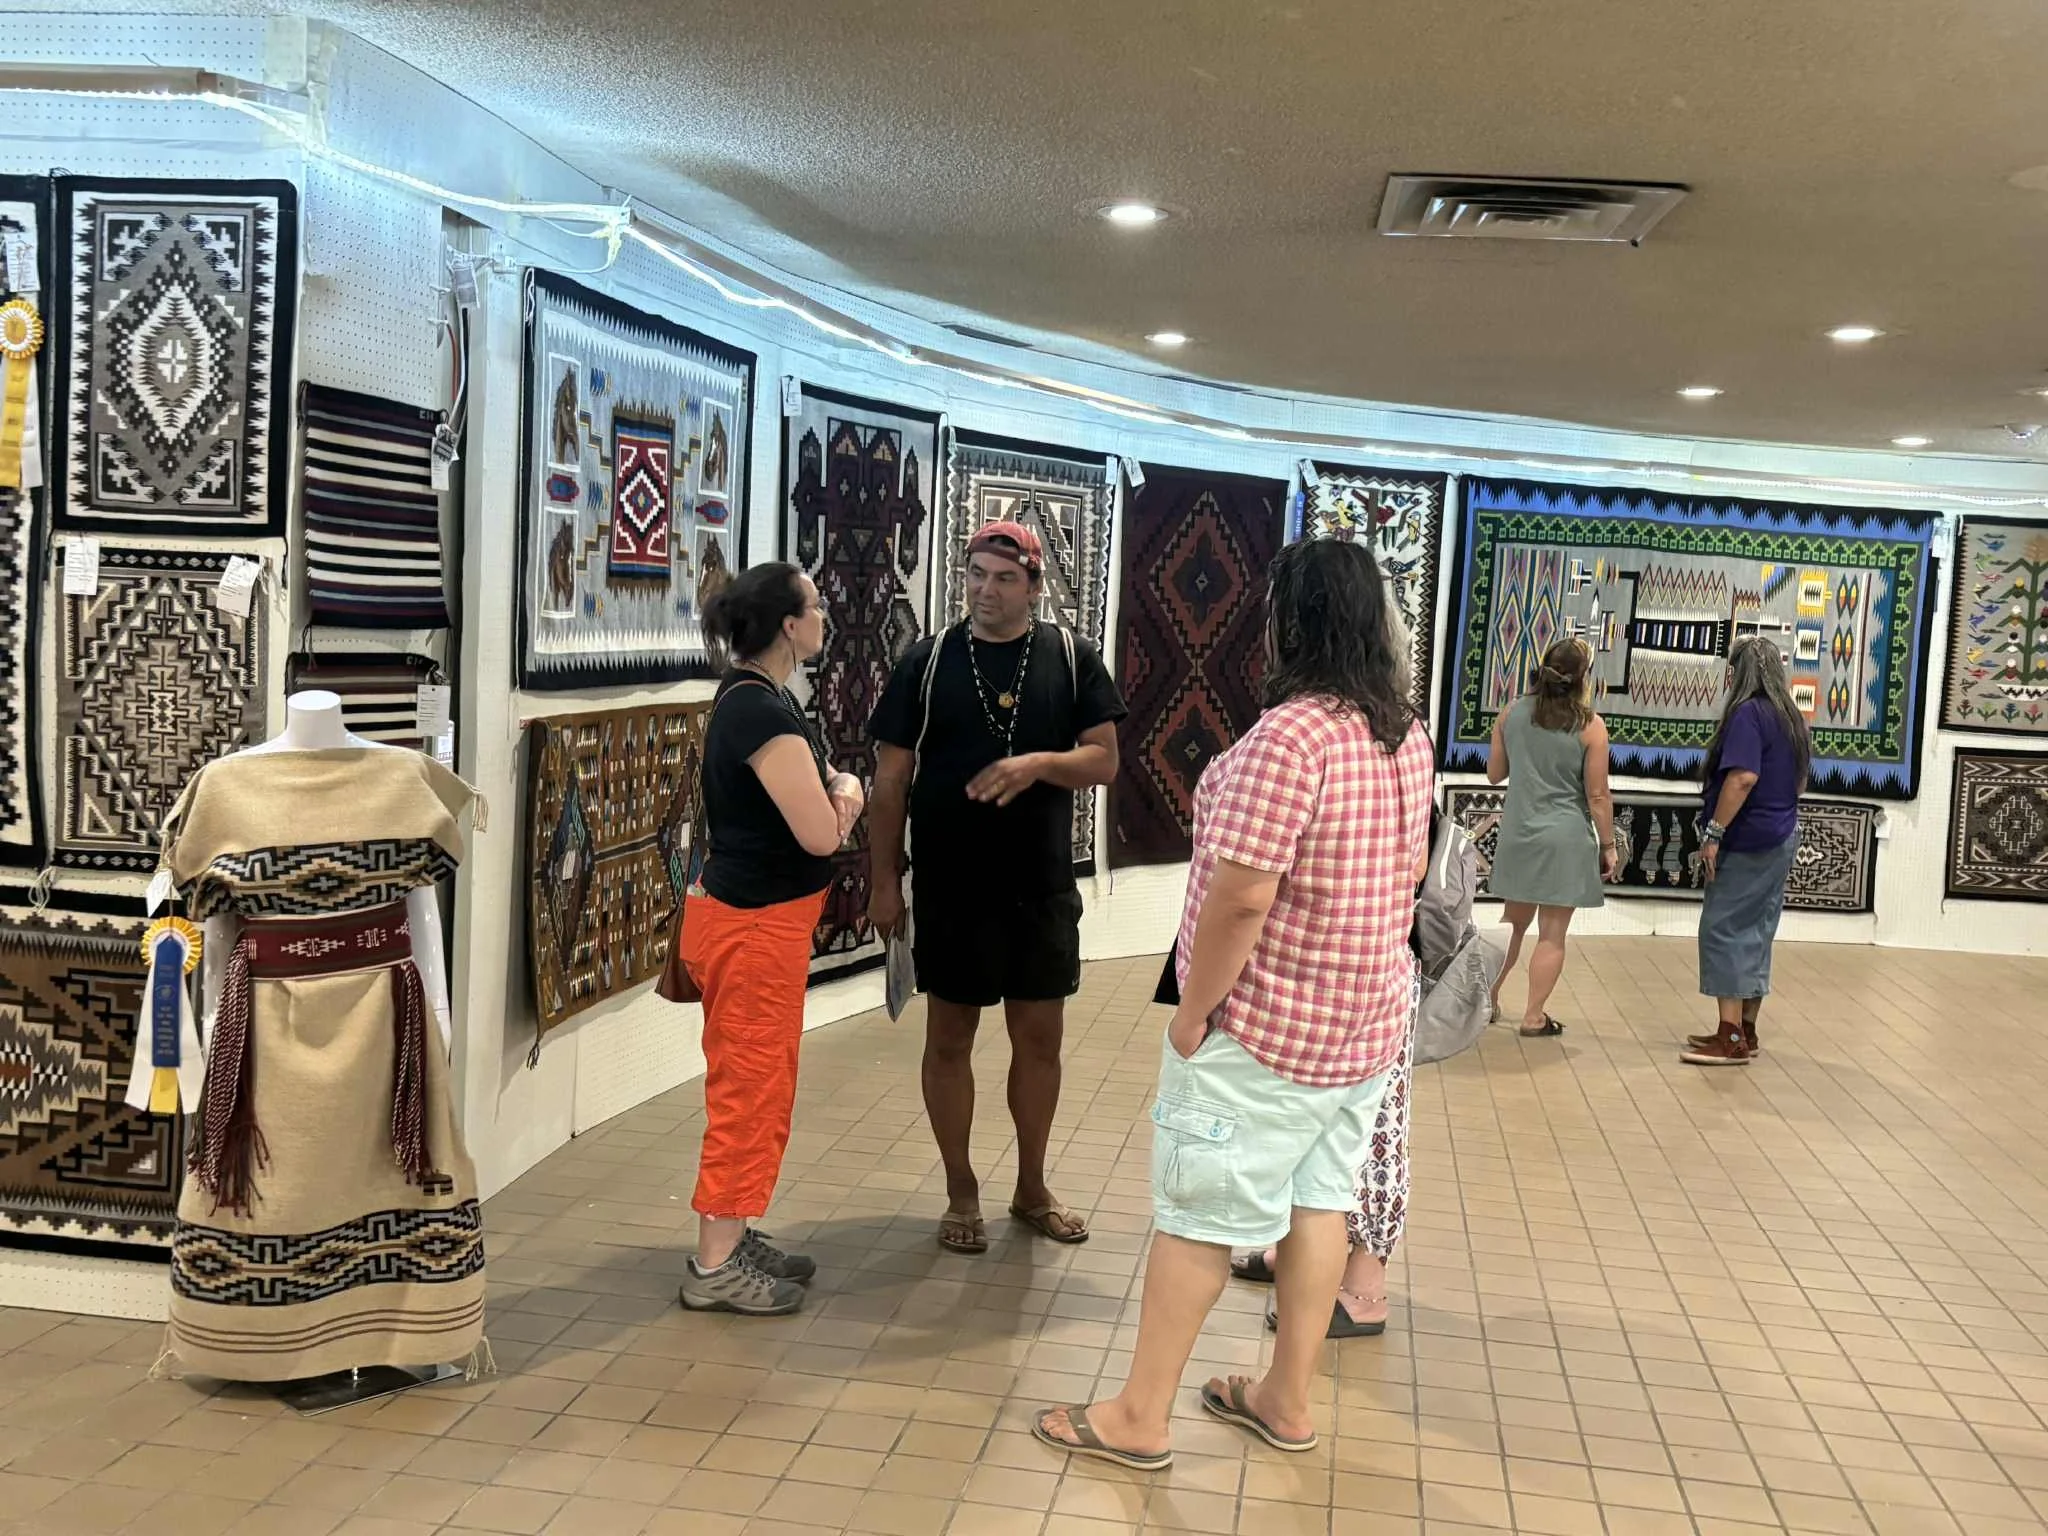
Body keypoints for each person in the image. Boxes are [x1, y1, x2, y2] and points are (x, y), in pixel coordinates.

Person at [1034, 537, 1433, 1471]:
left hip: (1265, 1032)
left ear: (1292, 624)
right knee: (1320, 1207)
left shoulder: (1289, 739)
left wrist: (1192, 1011)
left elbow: (1244, 897)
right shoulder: (1402, 733)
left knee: (1196, 1218)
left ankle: (1139, 1417)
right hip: (1363, 1029)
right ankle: (1285, 1399)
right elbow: (1410, 870)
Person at [867, 521, 1126, 1254]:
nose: (986, 590)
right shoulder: (926, 663)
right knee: (949, 1038)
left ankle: (1032, 1187)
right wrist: (882, 882)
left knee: (1039, 1042)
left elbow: (1104, 761)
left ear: (1035, 587)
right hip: (951, 887)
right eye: (977, 574)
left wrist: (1037, 763)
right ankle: (961, 1189)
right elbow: (890, 780)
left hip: (1039, 889)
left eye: (1005, 578)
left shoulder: (1071, 659)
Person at [678, 563, 865, 1316]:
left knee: (760, 1086)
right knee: (749, 1093)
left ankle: (731, 1233)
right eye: (816, 605)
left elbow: (818, 784)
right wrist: (849, 795)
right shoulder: (759, 712)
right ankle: (714, 1265)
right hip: (753, 931)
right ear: (789, 624)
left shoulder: (763, 699)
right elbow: (821, 831)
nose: (825, 616)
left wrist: (835, 786)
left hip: (759, 926)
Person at [1683, 636, 1810, 1066]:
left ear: (1738, 673)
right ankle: (1747, 1029)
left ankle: (1730, 1036)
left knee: (1723, 929)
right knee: (1757, 931)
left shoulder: (1747, 715)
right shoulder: (1791, 717)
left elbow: (1742, 778)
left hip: (1748, 839)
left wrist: (1714, 833)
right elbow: (1798, 783)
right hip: (1781, 835)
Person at [1486, 638, 1618, 1037]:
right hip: (1566, 838)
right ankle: (1533, 1016)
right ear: (1583, 679)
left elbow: (1494, 774)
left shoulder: (1511, 713)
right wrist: (1609, 846)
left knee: (1513, 925)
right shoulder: (1591, 726)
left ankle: (1486, 999)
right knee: (1552, 934)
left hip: (1519, 833)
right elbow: (1597, 795)